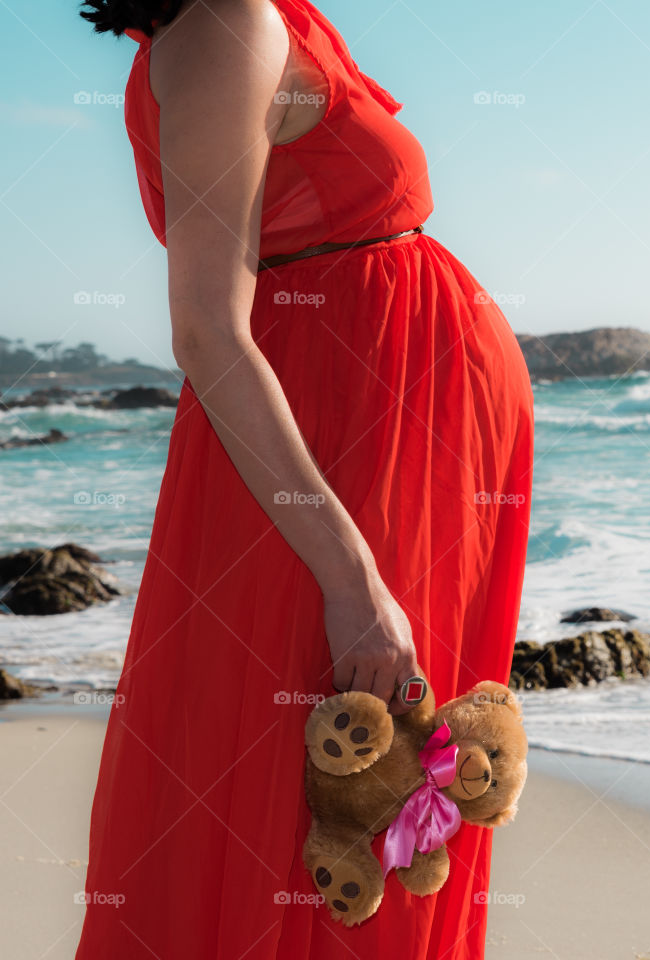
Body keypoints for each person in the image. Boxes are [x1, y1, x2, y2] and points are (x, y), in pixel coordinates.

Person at [73, 0, 534, 957]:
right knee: (352, 785)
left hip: (400, 444)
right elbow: (205, 328)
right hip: (342, 456)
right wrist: (350, 578)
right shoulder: (219, 28)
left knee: (398, 782)